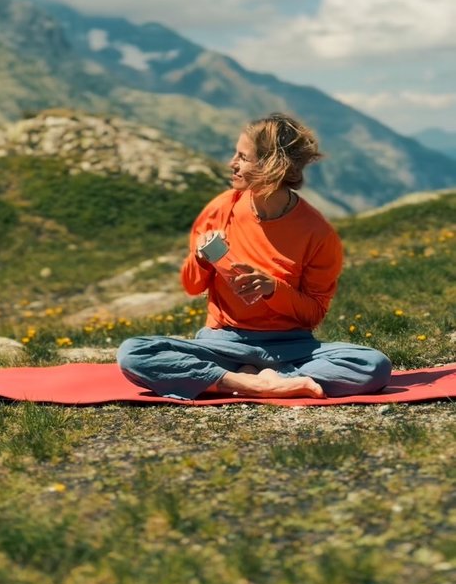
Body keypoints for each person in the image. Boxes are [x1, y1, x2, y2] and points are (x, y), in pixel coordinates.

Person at [118, 113, 392, 400]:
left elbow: (313, 313)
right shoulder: (219, 210)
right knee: (133, 352)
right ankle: (262, 383)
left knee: (374, 365)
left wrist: (273, 289)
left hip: (293, 346)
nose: (231, 163)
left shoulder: (318, 233)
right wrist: (200, 258)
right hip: (224, 342)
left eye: (243, 157)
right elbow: (192, 286)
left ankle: (249, 378)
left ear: (272, 166)